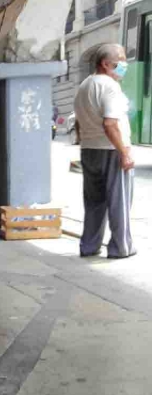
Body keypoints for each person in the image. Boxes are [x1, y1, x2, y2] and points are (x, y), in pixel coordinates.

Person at [74, 43, 136, 259]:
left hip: (89, 150)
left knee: (94, 202)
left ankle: (89, 246)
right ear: (106, 64)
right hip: (111, 149)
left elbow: (79, 124)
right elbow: (110, 124)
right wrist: (124, 152)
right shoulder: (109, 86)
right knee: (119, 201)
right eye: (120, 60)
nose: (124, 64)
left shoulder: (84, 85)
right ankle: (121, 247)